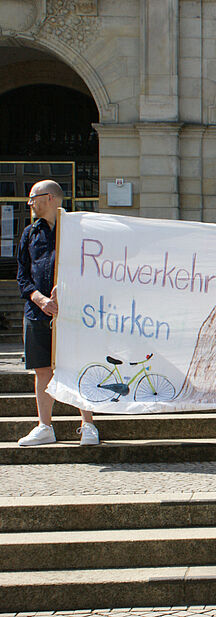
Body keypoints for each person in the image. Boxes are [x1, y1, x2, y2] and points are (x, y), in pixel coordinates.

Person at [16, 180, 99, 446]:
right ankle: (45, 426)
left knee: (78, 365)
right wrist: (39, 299)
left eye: (33, 198)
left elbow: (93, 269)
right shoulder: (30, 233)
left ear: (50, 198)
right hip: (38, 312)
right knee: (42, 370)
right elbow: (22, 275)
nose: (30, 203)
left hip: (74, 312)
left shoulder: (77, 230)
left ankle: (88, 425)